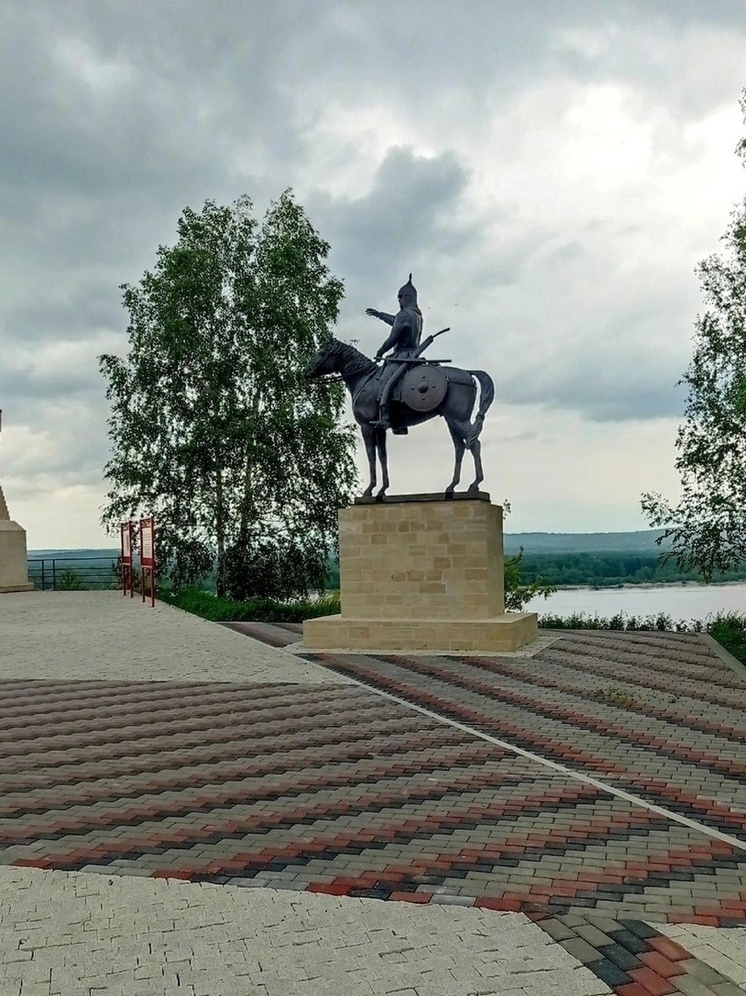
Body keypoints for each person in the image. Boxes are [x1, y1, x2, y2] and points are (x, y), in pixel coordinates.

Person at [365, 274, 423, 432]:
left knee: (385, 381)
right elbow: (394, 321)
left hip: (401, 356)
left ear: (406, 297)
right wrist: (379, 314)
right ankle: (401, 423)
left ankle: (385, 417)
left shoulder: (404, 315)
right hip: (413, 356)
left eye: (400, 298)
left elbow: (393, 337)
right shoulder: (416, 315)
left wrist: (380, 351)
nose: (398, 301)